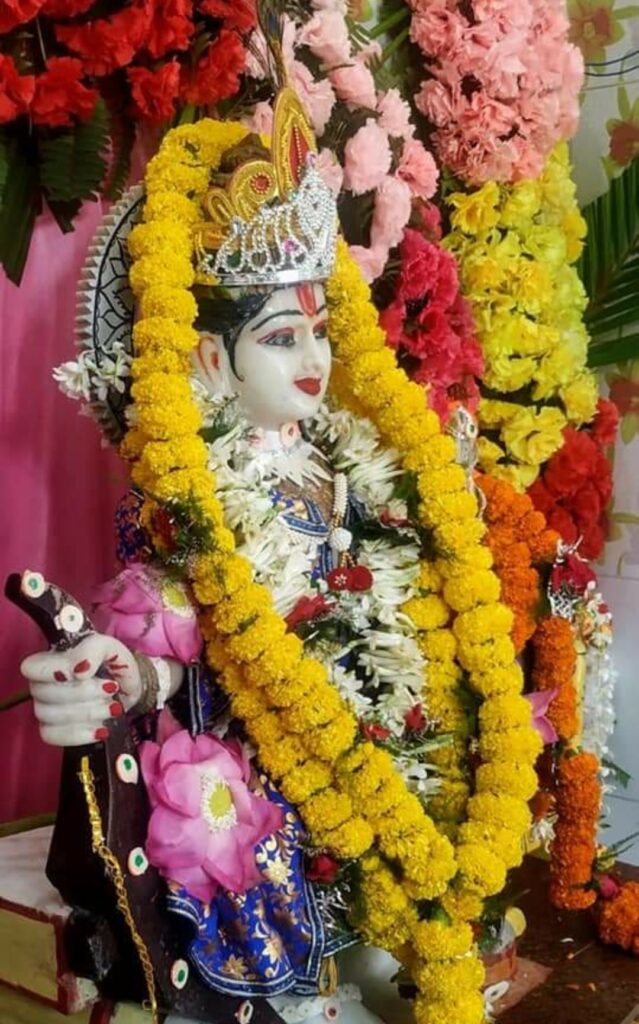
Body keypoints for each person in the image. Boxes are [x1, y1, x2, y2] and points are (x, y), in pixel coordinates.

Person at [20, 84, 435, 1024]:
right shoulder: (184, 495)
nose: (312, 362)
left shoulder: (340, 466)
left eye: (318, 332)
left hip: (362, 743)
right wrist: (122, 676)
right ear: (209, 360)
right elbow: (178, 657)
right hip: (257, 758)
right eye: (281, 339)